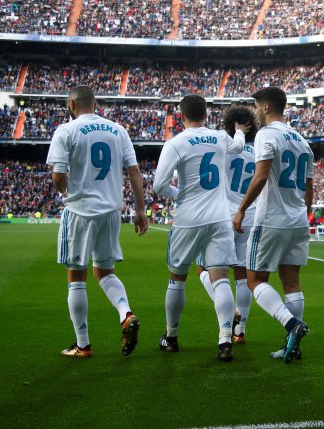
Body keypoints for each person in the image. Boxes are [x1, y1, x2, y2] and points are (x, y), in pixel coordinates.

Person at [46, 85, 148, 358]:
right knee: (105, 272)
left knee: (76, 278)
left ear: (71, 105)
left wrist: (65, 189)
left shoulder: (66, 131)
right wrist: (140, 210)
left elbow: (57, 176)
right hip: (111, 212)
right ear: (96, 103)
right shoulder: (118, 130)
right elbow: (134, 171)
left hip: (80, 211)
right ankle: (125, 313)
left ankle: (83, 345)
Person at [153, 94, 248, 361]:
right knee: (220, 278)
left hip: (189, 219)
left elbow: (159, 186)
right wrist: (239, 132)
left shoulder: (176, 143)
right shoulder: (220, 137)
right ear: (207, 114)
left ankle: (171, 337)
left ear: (181, 116)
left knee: (177, 279)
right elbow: (239, 147)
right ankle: (225, 339)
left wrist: (179, 193)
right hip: (219, 218)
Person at [232, 86, 313, 364]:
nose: (255, 111)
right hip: (298, 219)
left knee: (255, 281)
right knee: (292, 282)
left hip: (271, 219)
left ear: (265, 107)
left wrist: (242, 209)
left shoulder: (267, 134)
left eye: (257, 106)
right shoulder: (302, 140)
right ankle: (293, 345)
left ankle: (292, 326)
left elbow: (261, 175)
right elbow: (309, 187)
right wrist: (303, 214)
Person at [197, 104, 259, 344]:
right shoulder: (258, 152)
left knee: (206, 269)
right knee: (242, 275)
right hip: (250, 215)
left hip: (223, 214)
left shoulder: (224, 147)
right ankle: (240, 330)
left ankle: (229, 311)